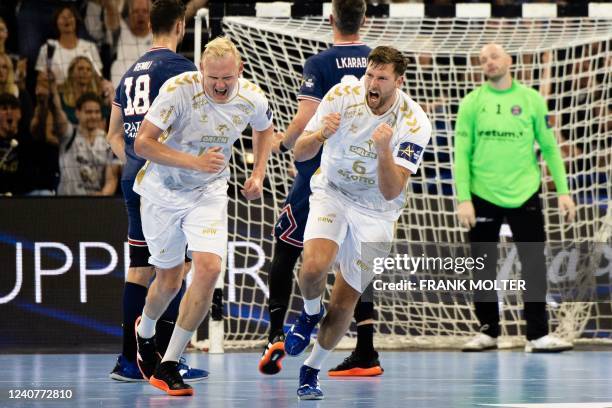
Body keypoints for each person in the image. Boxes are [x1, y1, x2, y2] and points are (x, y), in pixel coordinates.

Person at [285, 46, 432, 399]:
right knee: (312, 269)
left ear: (398, 81)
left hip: (377, 212)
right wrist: (320, 135)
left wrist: (384, 150)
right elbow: (299, 151)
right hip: (333, 191)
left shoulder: (414, 122)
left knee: (344, 302)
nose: (372, 83)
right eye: (370, 74)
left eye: (381, 78)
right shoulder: (341, 95)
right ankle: (307, 314)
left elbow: (392, 188)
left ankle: (311, 370)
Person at [133, 36, 274, 396]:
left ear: (239, 71)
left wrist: (258, 172)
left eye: (227, 78)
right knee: (168, 281)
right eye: (213, 78)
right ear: (201, 71)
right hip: (162, 192)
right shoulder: (177, 90)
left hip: (209, 191)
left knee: (209, 267)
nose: (220, 85)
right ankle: (144, 331)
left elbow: (264, 128)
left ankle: (168, 363)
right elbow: (143, 143)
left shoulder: (252, 97)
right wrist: (193, 162)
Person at [260, 0, 382, 378]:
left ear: (330, 19)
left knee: (286, 246)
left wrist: (279, 142)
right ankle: (365, 350)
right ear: (365, 19)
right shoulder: (378, 64)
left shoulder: (320, 62)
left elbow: (303, 118)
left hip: (319, 175)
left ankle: (276, 333)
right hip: (362, 178)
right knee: (356, 261)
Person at [106, 0, 206, 382]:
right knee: (173, 269)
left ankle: (129, 361)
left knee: (140, 268)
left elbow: (113, 134)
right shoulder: (182, 71)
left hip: (135, 177)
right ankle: (166, 361)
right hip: (167, 182)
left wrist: (135, 157)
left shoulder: (129, 73)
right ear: (181, 26)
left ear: (150, 24)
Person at [454, 43, 576, 353]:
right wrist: (463, 198)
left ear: (509, 60)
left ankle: (536, 335)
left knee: (534, 264)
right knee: (482, 265)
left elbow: (549, 148)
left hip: (525, 192)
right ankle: (487, 332)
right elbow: (461, 154)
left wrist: (563, 192)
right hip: (482, 194)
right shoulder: (471, 102)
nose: (489, 62)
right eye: (482, 60)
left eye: (494, 56)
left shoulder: (531, 99)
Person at [55, 92, 119, 196]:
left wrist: (102, 196)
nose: (93, 116)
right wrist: (54, 92)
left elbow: (111, 180)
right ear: (78, 113)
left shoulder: (108, 142)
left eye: (97, 112)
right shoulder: (69, 134)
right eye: (88, 112)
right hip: (66, 203)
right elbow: (57, 112)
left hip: (94, 204)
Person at [34, 6, 103, 86]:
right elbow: (41, 81)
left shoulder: (90, 47)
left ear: (76, 20)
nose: (66, 19)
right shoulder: (47, 48)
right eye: (62, 17)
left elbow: (99, 78)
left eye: (70, 16)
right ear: (56, 22)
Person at [110, 0, 153, 86]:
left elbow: (182, 16)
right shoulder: (121, 30)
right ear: (129, 15)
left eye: (145, 11)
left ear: (151, 15)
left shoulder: (160, 34)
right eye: (136, 11)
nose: (140, 15)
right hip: (122, 88)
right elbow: (111, 8)